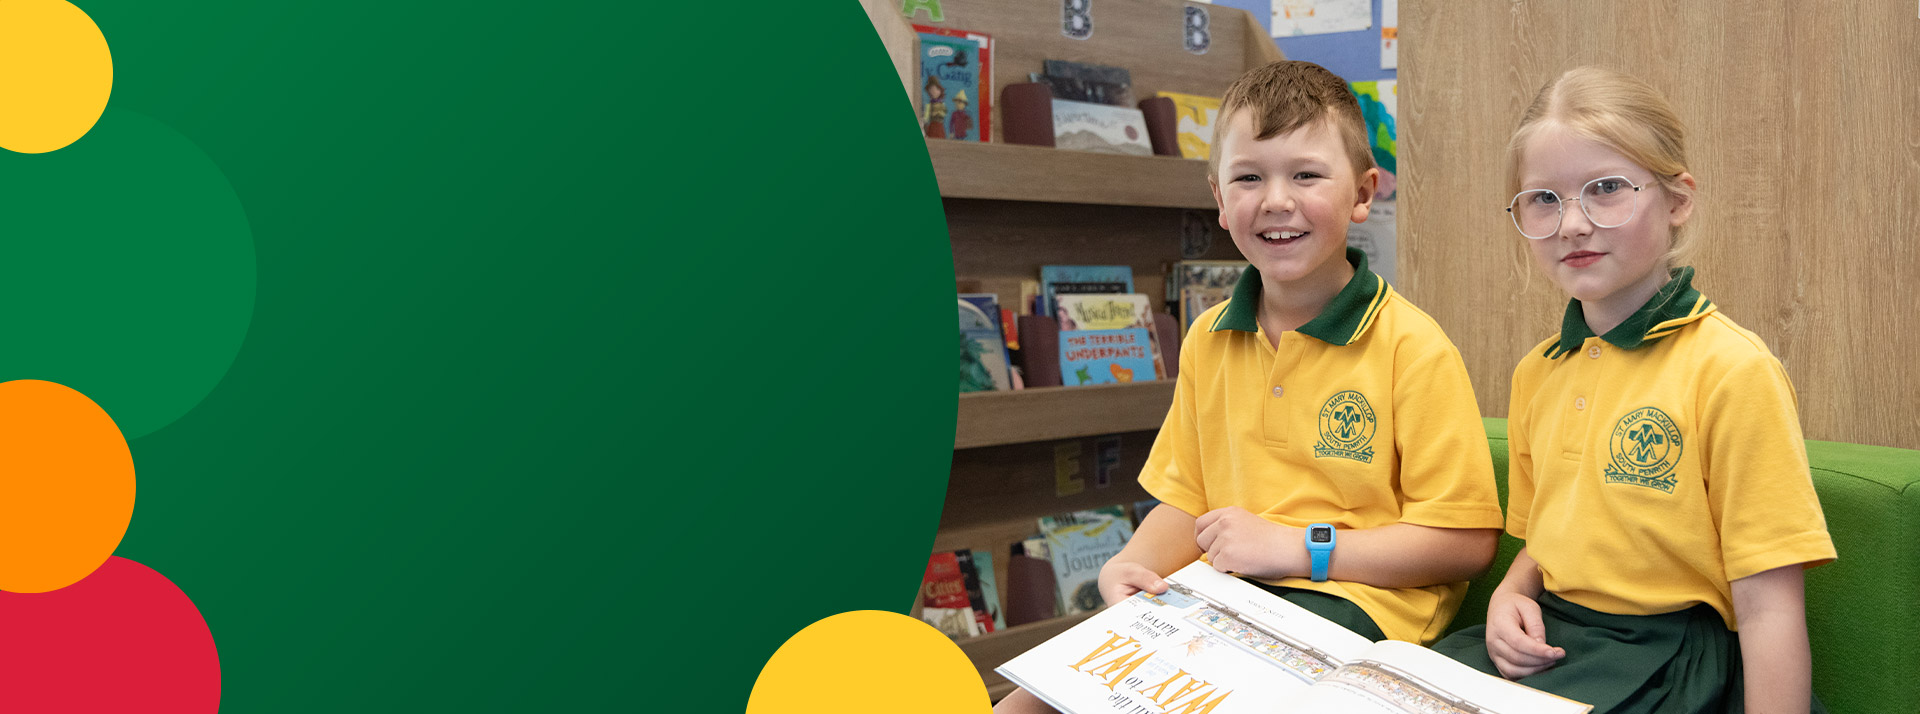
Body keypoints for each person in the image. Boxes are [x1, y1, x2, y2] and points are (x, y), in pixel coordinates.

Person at [996, 60, 1503, 713]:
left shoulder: (1413, 346)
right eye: (1248, 177)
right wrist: (1132, 562)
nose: (1276, 200)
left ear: (1363, 192)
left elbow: (1463, 542)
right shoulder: (1209, 337)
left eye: (1306, 174)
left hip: (1353, 614)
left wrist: (1297, 548)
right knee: (1025, 705)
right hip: (1220, 601)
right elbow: (1187, 499)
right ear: (1219, 199)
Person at [1429, 67, 1836, 714]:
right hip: (1559, 638)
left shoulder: (1731, 369)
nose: (1572, 224)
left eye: (1607, 189)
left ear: (1677, 201)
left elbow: (1769, 607)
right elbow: (1545, 536)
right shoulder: (1539, 370)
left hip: (1674, 660)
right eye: (1543, 199)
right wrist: (1511, 591)